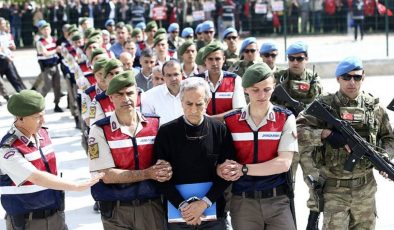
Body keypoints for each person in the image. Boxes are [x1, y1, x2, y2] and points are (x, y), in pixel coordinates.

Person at [297, 56, 394, 229]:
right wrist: (325, 134)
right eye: (346, 77)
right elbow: (297, 131)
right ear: (337, 79)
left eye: (356, 77)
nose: (352, 82)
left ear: (363, 77)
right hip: (334, 189)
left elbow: (388, 138)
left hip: (365, 189)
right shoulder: (325, 105)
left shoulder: (374, 108)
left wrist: (384, 159)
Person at [0, 90, 103, 230]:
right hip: (27, 223)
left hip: (55, 216)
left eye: (43, 115)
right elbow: (36, 177)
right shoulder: (8, 149)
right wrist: (76, 186)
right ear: (20, 118)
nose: (43, 121)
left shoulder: (42, 134)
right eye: (37, 117)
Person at [218, 63, 297, 230]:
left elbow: (283, 163)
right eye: (255, 90)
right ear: (245, 89)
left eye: (267, 89)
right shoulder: (231, 121)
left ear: (274, 87)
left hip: (278, 201)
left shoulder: (285, 118)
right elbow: (220, 160)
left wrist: (243, 169)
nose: (262, 95)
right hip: (243, 203)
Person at [88, 70, 172, 229]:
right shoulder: (99, 130)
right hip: (116, 210)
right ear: (110, 98)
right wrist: (148, 173)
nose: (126, 99)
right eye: (119, 94)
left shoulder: (156, 124)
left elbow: (167, 161)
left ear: (138, 95)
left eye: (129, 93)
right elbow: (106, 175)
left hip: (151, 206)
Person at [154, 77, 233, 229]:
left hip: (214, 212)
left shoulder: (220, 130)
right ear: (181, 101)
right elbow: (159, 176)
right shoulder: (166, 133)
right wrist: (184, 207)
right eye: (188, 104)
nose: (193, 109)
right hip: (178, 213)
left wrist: (203, 204)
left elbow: (227, 173)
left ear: (207, 102)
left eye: (199, 104)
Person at [274, 41, 322, 229]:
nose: (295, 62)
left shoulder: (313, 81)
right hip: (286, 141)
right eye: (292, 58)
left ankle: (313, 219)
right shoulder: (279, 78)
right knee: (286, 185)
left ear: (306, 59)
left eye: (299, 58)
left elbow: (321, 109)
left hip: (309, 142)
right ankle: (288, 221)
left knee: (316, 183)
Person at [196, 42, 246, 120]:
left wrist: (211, 119)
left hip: (227, 129)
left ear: (223, 59)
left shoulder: (235, 80)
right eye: (210, 59)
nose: (214, 63)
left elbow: (239, 110)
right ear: (204, 61)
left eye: (217, 59)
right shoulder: (196, 81)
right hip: (202, 129)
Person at [141, 60, 183, 126]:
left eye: (176, 74)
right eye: (169, 75)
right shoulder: (150, 96)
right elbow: (147, 124)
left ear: (182, 75)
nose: (173, 78)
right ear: (164, 77)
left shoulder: (191, 92)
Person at [34, 22, 63, 112]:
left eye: (48, 29)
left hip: (55, 65)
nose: (46, 31)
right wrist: (56, 50)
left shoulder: (54, 39)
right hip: (47, 67)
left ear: (50, 29)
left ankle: (57, 105)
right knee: (47, 86)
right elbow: (45, 54)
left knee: (57, 86)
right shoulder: (40, 42)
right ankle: (38, 105)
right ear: (41, 31)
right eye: (44, 29)